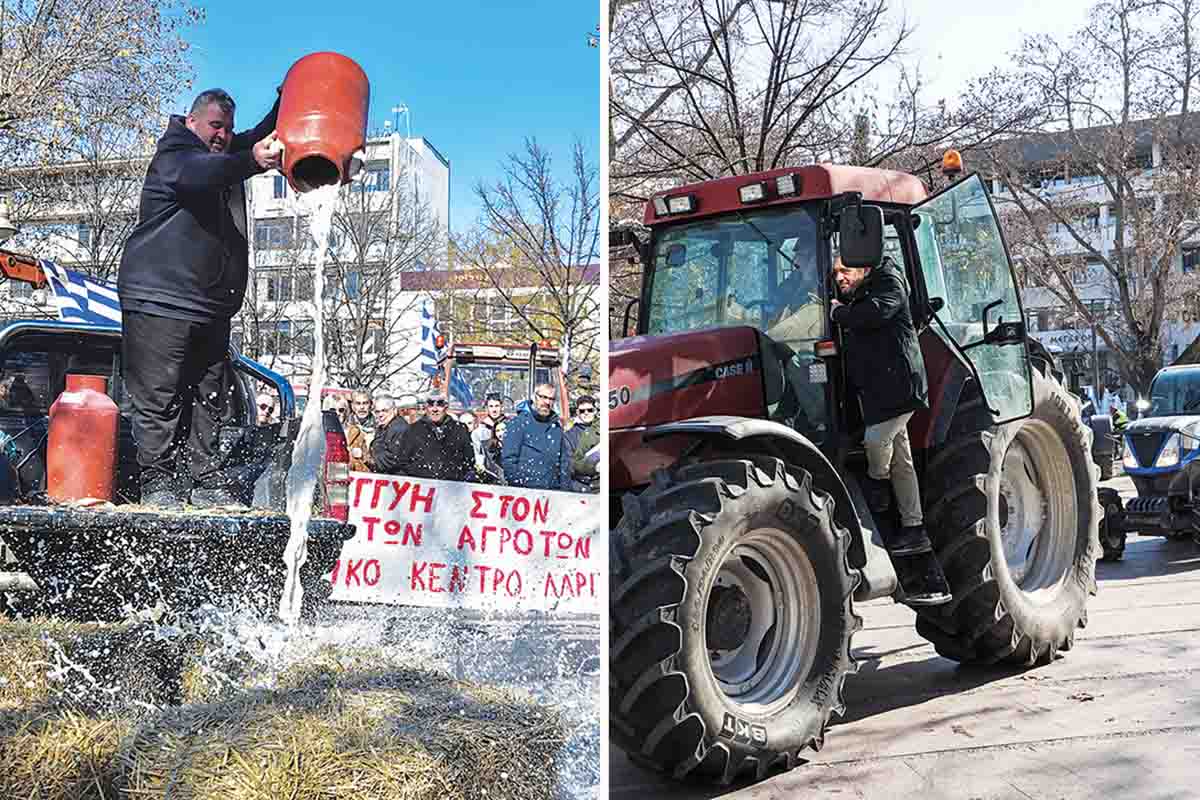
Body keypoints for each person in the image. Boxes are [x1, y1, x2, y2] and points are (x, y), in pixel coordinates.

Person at [118, 87, 283, 507]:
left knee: (211, 395)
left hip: (208, 303)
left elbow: (259, 136)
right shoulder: (175, 154)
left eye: (227, 129)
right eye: (215, 126)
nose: (222, 136)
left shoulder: (221, 151)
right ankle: (158, 482)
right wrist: (249, 161)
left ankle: (204, 478)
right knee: (160, 393)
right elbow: (201, 174)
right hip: (161, 297)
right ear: (192, 122)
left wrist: (288, 98)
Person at [830, 250, 950, 605]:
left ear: (863, 263)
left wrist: (837, 312)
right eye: (835, 273)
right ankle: (914, 528)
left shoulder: (888, 282)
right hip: (880, 392)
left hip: (899, 389)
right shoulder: (861, 289)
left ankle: (878, 487)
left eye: (844, 270)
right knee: (903, 461)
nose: (839, 277)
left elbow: (875, 313)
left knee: (876, 442)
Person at [380, 394, 474, 481]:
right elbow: (401, 463)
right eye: (430, 404)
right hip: (422, 491)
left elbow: (469, 461)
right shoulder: (413, 430)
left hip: (451, 490)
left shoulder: (460, 429)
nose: (435, 409)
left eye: (440, 404)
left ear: (446, 406)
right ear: (426, 407)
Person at [501, 383, 570, 490]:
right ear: (534, 397)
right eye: (543, 397)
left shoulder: (556, 428)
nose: (547, 402)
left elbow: (564, 462)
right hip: (526, 493)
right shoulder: (518, 423)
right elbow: (509, 461)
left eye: (551, 399)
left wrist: (565, 491)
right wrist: (518, 487)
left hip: (552, 493)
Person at [568, 395, 599, 493]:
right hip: (582, 486)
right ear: (577, 412)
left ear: (595, 411)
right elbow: (569, 465)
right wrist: (593, 467)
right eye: (582, 411)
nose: (586, 413)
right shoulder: (569, 436)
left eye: (589, 410)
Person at [472, 393, 506, 480]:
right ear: (486, 408)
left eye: (497, 406)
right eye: (491, 406)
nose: (494, 410)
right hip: (490, 475)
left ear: (501, 407)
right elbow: (478, 454)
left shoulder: (509, 426)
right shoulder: (479, 432)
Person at [368, 394, 404, 472]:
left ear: (394, 410)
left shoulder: (399, 429)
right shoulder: (383, 427)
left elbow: (393, 459)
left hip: (397, 480)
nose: (380, 415)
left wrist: (368, 459)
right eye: (377, 411)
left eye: (385, 410)